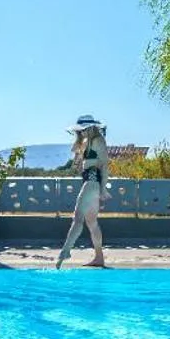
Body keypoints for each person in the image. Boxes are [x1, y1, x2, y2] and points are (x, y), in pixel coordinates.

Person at [57, 115, 108, 269]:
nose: (82, 132)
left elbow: (104, 166)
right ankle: (99, 257)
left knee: (77, 217)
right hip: (90, 183)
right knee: (92, 222)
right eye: (81, 130)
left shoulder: (98, 140)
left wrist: (103, 190)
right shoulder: (87, 141)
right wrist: (79, 137)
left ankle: (66, 251)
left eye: (84, 129)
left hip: (92, 182)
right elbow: (75, 152)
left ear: (92, 127)